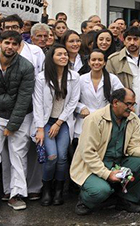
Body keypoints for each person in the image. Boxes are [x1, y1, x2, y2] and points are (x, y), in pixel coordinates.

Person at [70, 88, 140, 215]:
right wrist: (107, 174)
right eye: (128, 104)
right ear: (115, 102)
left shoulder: (133, 119)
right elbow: (88, 153)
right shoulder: (94, 119)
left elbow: (134, 147)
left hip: (117, 163)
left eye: (133, 104)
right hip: (92, 167)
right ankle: (85, 201)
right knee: (101, 191)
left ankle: (126, 200)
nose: (132, 108)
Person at [33, 44, 80, 207]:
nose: (64, 57)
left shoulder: (74, 77)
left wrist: (59, 123)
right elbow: (37, 104)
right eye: (60, 54)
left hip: (63, 122)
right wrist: (40, 129)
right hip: (45, 122)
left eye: (66, 54)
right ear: (51, 57)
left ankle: (59, 191)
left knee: (62, 158)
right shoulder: (41, 78)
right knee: (51, 156)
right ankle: (47, 189)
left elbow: (73, 102)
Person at [0, 30, 35, 210]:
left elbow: (23, 99)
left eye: (14, 44)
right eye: (7, 42)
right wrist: (7, 100)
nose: (10, 47)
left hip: (21, 117)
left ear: (19, 46)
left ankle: (17, 194)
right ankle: (5, 190)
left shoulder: (26, 67)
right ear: (1, 43)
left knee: (18, 156)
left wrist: (12, 125)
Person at [107, 26, 140, 115]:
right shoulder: (114, 60)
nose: (132, 42)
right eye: (129, 39)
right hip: (125, 110)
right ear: (124, 41)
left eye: (135, 39)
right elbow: (110, 89)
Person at [75, 50, 124, 139]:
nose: (96, 62)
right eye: (93, 60)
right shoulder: (81, 79)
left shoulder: (113, 79)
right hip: (85, 121)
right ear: (89, 62)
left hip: (107, 121)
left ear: (105, 62)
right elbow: (72, 100)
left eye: (100, 60)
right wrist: (81, 108)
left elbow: (121, 99)